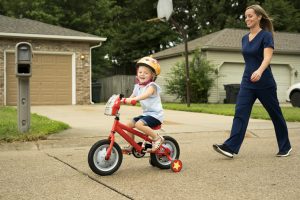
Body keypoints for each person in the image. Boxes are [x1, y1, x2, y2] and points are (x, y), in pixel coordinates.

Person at [213, 4, 292, 158]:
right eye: (245, 16)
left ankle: (285, 146)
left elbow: (268, 57)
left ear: (259, 17)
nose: (247, 19)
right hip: (248, 82)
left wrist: (260, 70)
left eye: (250, 16)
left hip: (265, 82)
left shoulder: (266, 36)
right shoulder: (244, 39)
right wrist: (253, 72)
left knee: (275, 115)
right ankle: (230, 147)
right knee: (240, 113)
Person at [122, 56, 164, 152]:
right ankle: (131, 145)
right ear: (137, 74)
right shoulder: (137, 87)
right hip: (146, 115)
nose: (142, 74)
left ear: (152, 75)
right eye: (140, 72)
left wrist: (135, 99)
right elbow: (131, 97)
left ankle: (157, 138)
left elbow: (146, 95)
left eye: (146, 73)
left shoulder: (152, 86)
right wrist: (121, 100)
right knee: (128, 125)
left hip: (156, 115)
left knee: (138, 124)